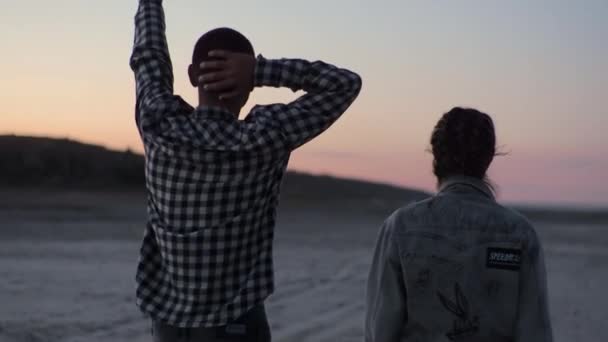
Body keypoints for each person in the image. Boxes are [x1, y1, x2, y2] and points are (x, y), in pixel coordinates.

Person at [129, 0, 362, 341]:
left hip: (170, 325)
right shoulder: (265, 138)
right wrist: (261, 70)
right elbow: (344, 83)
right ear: (250, 83)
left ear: (192, 75)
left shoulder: (159, 126)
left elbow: (148, 56)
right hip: (237, 324)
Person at [365, 107, 553, 342]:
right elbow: (534, 330)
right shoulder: (518, 231)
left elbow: (381, 327)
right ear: (489, 157)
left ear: (435, 154)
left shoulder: (401, 226)